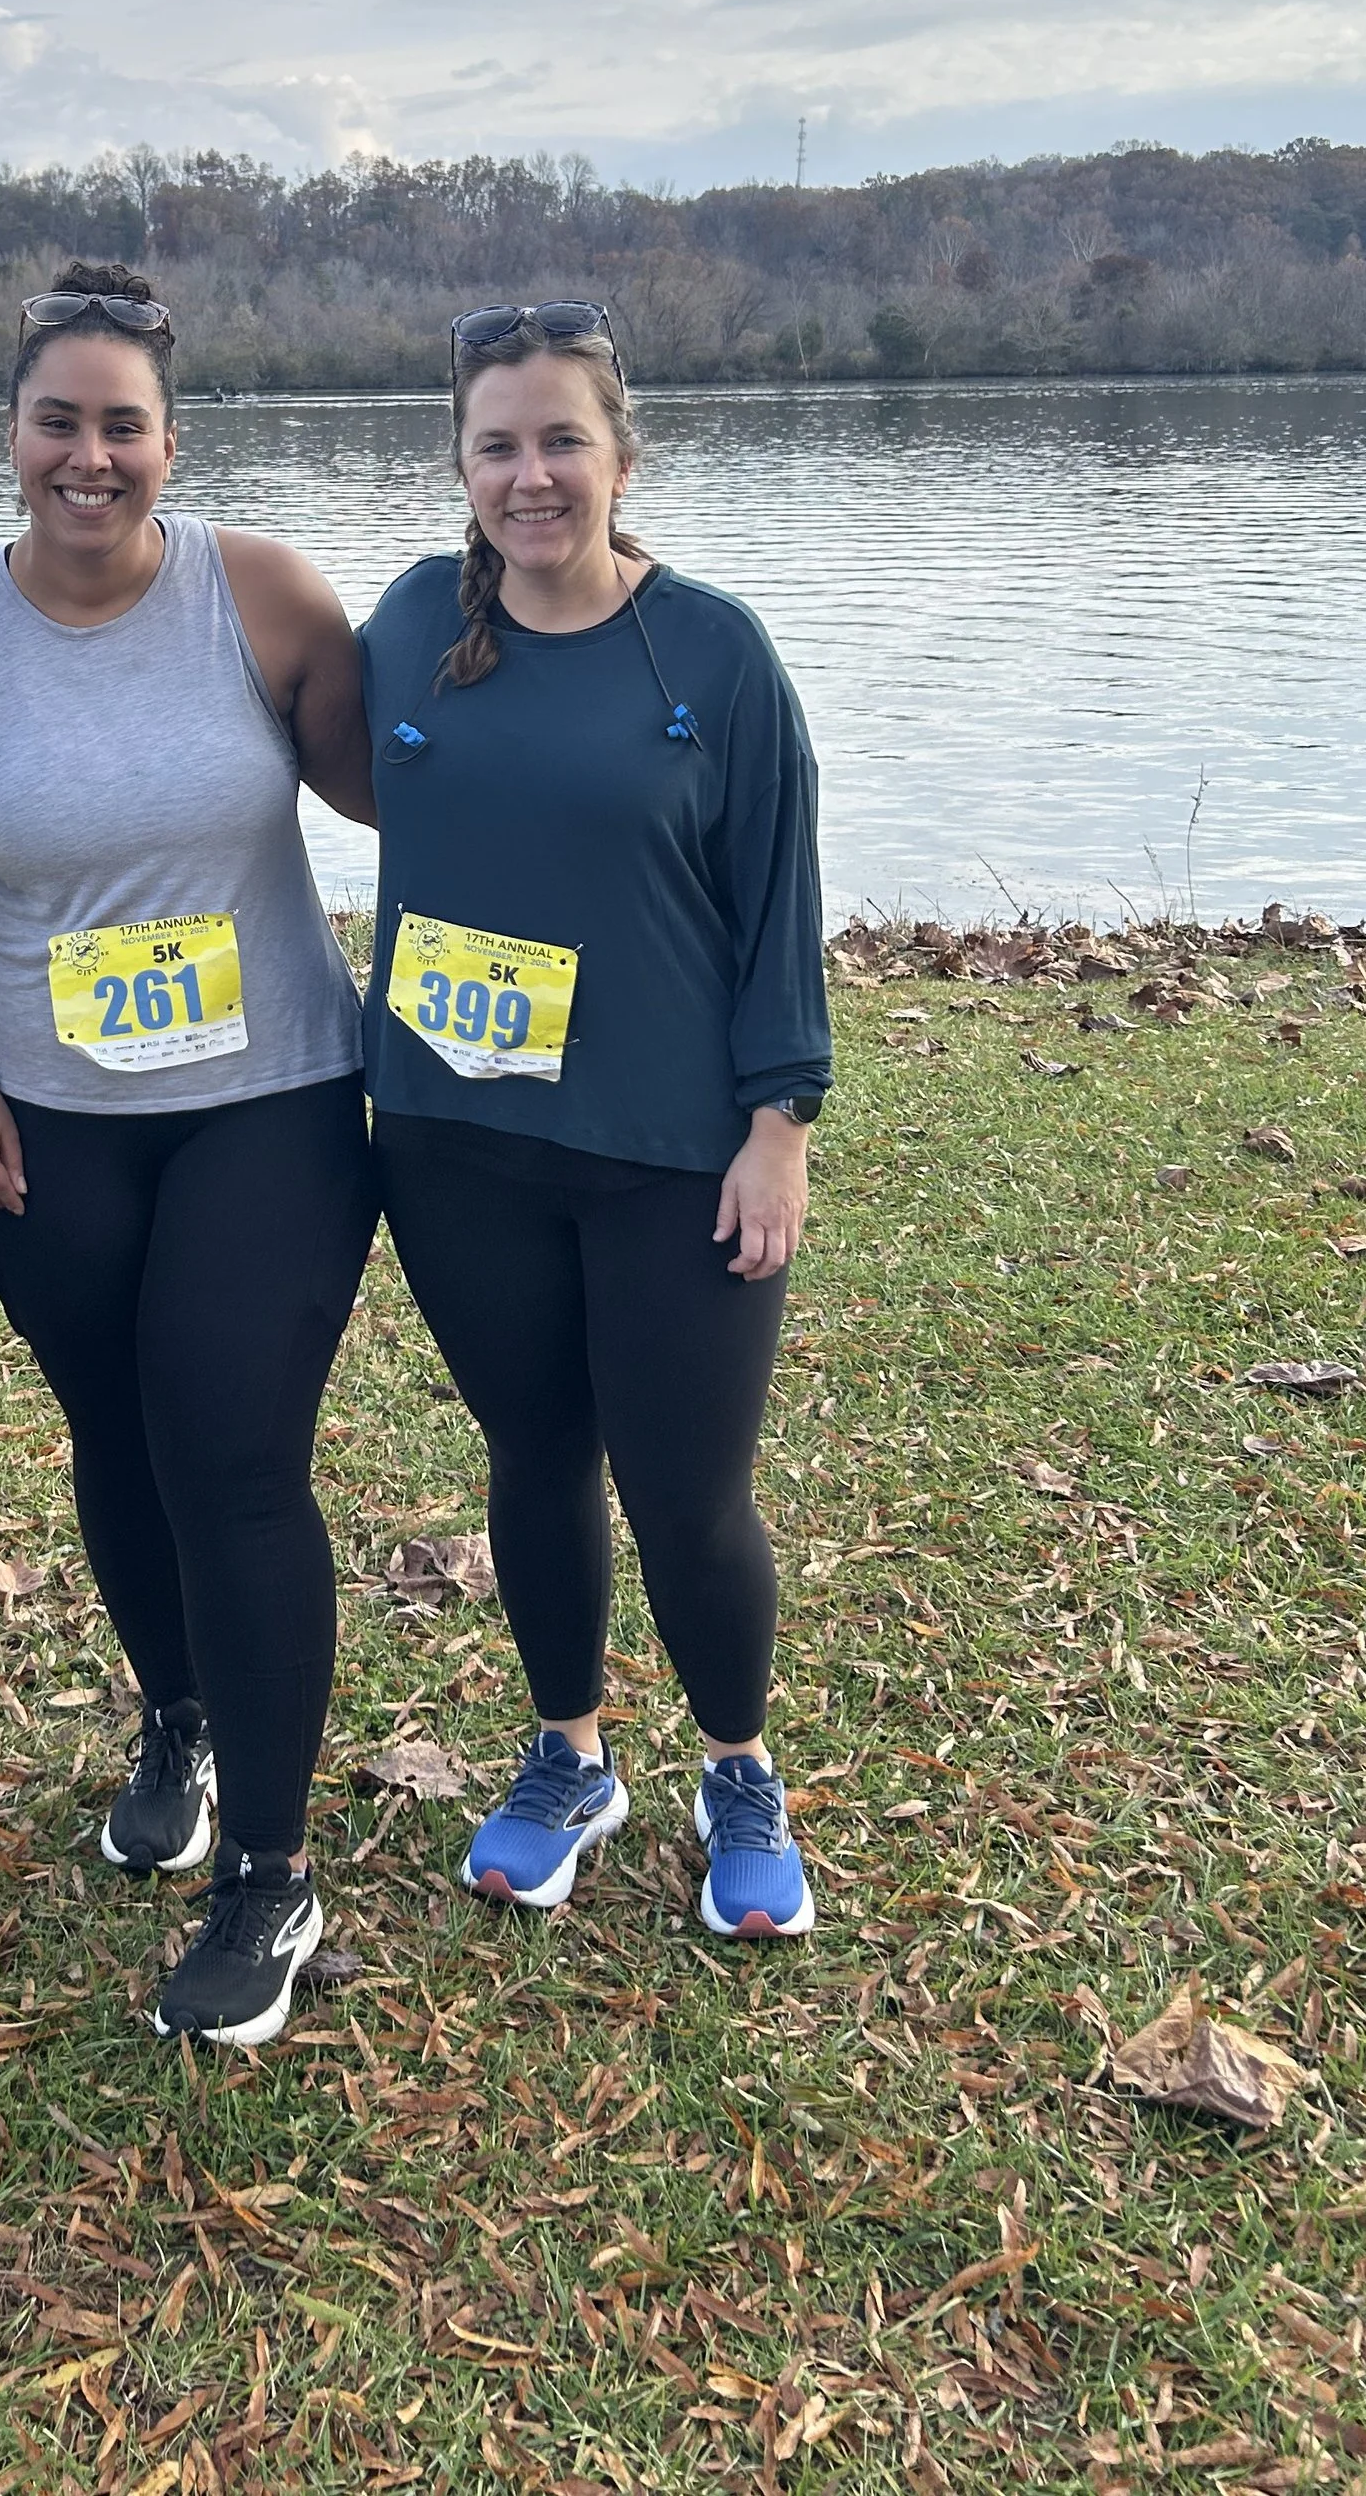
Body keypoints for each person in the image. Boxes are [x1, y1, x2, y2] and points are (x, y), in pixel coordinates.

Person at [0, 268, 376, 2046]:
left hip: (271, 1105)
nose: (89, 457)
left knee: (236, 1458)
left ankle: (269, 1865)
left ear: (173, 444)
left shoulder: (262, 597)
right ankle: (173, 1709)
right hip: (55, 1125)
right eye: (58, 421)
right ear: (11, 436)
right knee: (117, 1432)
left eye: (124, 426)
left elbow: (410, 775)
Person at [359, 302, 832, 1938]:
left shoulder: (709, 653)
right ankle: (571, 1752)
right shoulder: (413, 625)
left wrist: (779, 1124)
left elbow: (778, 897)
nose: (530, 474)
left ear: (624, 456)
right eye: (497, 444)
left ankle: (738, 1769)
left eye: (562, 439)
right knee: (535, 1450)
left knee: (687, 1488)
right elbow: (279, 768)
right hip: (452, 1143)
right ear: (461, 466)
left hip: (665, 1151)